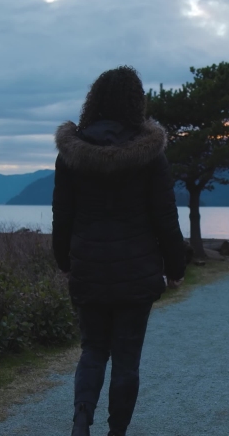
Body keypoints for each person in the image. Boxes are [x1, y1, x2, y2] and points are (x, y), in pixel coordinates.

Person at [51, 66, 186, 436]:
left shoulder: (71, 155)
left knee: (93, 349)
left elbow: (62, 216)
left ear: (93, 100)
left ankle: (81, 423)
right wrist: (176, 266)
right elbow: (164, 216)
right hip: (137, 272)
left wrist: (64, 261)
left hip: (89, 268)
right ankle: (116, 432)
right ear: (135, 102)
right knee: (127, 359)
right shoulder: (150, 155)